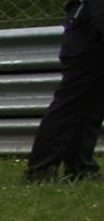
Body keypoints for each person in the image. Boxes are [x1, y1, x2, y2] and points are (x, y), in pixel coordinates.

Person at [25, 0, 104, 183]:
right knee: (69, 106)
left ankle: (80, 167)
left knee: (92, 107)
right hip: (87, 35)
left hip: (92, 34)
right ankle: (41, 168)